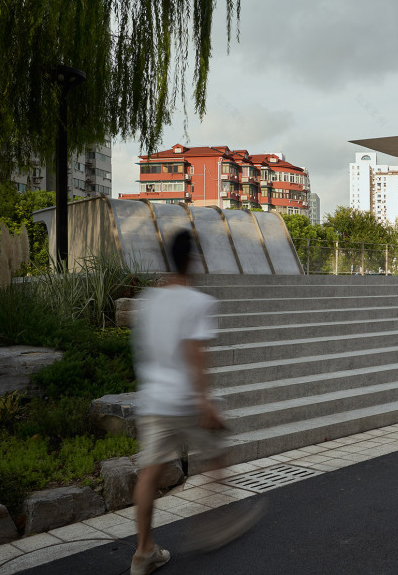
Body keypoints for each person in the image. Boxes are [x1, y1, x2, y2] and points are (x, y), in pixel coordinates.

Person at [130, 230, 260, 574]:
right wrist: (206, 403)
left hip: (154, 399)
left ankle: (144, 551)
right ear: (191, 260)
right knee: (217, 454)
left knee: (149, 474)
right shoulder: (197, 302)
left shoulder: (148, 300)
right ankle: (211, 525)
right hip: (185, 400)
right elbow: (194, 353)